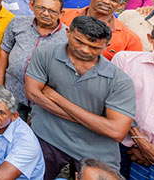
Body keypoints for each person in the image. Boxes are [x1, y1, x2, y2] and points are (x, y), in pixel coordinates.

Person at [26, 15, 136, 177]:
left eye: (94, 47)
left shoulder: (119, 81)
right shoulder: (45, 54)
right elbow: (33, 93)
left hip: (96, 149)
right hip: (48, 136)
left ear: (107, 45)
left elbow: (116, 131)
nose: (85, 50)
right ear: (68, 32)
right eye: (79, 42)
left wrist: (58, 98)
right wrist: (92, 121)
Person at [112, 21, 154, 180]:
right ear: (150, 38)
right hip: (116, 146)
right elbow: (110, 100)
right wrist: (141, 142)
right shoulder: (126, 61)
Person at [0, 0, 67, 121]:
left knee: (39, 134)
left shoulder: (67, 37)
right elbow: (4, 51)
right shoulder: (17, 23)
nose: (45, 13)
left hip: (43, 99)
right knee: (9, 126)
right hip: (12, 90)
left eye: (52, 11)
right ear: (31, 5)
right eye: (41, 8)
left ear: (61, 13)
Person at [60, 0, 142, 60]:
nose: (106, 2)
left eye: (113, 0)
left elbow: (132, 67)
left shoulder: (129, 39)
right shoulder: (62, 16)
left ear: (121, 5)